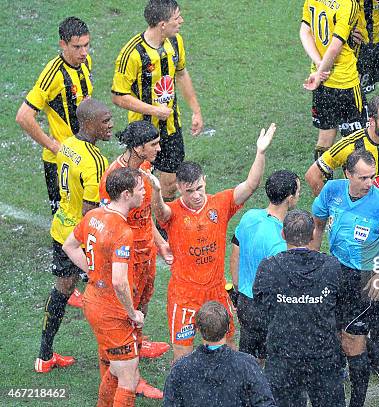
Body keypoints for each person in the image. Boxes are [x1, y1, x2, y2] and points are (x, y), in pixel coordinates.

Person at [148, 124, 276, 362]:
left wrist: (260, 152)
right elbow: (159, 212)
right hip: (184, 296)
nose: (196, 195)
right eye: (189, 191)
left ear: (205, 181)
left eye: (199, 188)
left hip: (216, 292)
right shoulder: (173, 212)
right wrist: (156, 191)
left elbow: (250, 185)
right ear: (179, 189)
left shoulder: (220, 203)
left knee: (227, 347)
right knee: (182, 356)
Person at [312, 149, 379, 407]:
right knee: (339, 333)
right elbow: (318, 223)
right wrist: (310, 261)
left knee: (353, 343)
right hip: (336, 272)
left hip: (364, 280)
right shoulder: (332, 191)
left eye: (372, 177)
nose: (369, 183)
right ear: (348, 174)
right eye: (363, 178)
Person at [34, 98, 112, 373]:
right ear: (89, 123)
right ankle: (116, 354)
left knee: (62, 289)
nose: (111, 125)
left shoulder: (66, 143)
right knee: (107, 290)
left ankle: (44, 355)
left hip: (60, 229)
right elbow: (91, 212)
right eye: (105, 121)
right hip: (79, 237)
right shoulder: (96, 161)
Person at [98, 121, 173, 399]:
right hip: (126, 259)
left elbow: (144, 218)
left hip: (147, 254)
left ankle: (137, 348)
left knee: (141, 308)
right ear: (139, 147)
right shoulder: (114, 179)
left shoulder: (143, 169)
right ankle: (128, 374)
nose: (159, 148)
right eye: (154, 144)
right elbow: (108, 224)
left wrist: (161, 242)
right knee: (124, 315)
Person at [63, 167, 146, 407]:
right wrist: (133, 313)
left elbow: (69, 246)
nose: (144, 193)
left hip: (93, 301)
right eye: (140, 189)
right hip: (111, 311)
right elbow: (120, 282)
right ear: (127, 194)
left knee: (115, 367)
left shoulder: (94, 215)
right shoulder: (122, 231)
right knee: (129, 378)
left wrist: (93, 270)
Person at [112, 0, 203, 202]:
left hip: (170, 127)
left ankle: (162, 228)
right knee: (134, 187)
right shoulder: (132, 53)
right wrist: (153, 110)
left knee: (169, 186)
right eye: (176, 17)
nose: (181, 21)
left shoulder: (176, 41)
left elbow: (181, 74)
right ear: (162, 24)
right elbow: (118, 96)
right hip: (141, 133)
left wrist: (196, 111)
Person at [254, 210, 344, 407]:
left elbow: (261, 304)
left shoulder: (269, 267)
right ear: (313, 235)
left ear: (283, 235)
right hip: (323, 356)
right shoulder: (331, 266)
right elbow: (341, 305)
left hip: (283, 357)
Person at [16, 16, 92, 216]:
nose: (84, 52)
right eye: (77, 47)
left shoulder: (85, 63)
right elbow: (23, 116)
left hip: (84, 155)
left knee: (87, 216)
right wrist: (53, 146)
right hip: (61, 162)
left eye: (86, 45)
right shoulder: (53, 74)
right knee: (64, 223)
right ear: (63, 44)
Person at [229, 170, 301, 363]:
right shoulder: (280, 240)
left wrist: (237, 288)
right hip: (266, 308)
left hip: (245, 302)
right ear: (289, 198)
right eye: (298, 191)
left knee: (248, 357)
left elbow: (236, 251)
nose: (299, 196)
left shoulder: (249, 217)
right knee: (273, 359)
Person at [305, 95, 379, 210]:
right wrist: (332, 208)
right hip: (355, 220)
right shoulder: (350, 146)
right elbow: (312, 175)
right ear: (372, 121)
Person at [163, 301, 276, 407]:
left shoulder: (180, 369)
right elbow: (265, 402)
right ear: (227, 328)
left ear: (197, 329)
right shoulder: (247, 365)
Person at [300, 0, 368, 162]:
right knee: (357, 142)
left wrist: (318, 67)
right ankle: (356, 185)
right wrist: (322, 70)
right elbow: (334, 48)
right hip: (345, 83)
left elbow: (304, 32)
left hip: (322, 82)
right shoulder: (348, 4)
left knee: (324, 140)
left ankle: (320, 183)